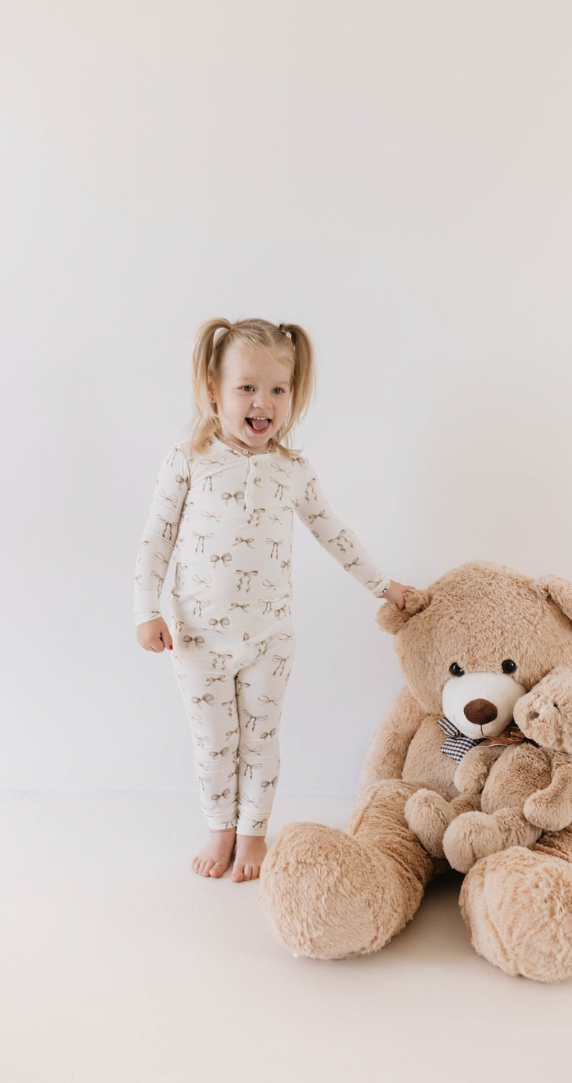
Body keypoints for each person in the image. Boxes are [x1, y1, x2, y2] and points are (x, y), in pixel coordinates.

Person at [134, 318, 414, 882]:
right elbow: (156, 538)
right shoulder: (187, 461)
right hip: (197, 638)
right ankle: (219, 828)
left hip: (269, 639)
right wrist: (146, 610)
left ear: (293, 394)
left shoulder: (293, 472)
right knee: (216, 742)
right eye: (247, 388)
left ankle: (253, 833)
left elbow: (337, 536)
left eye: (277, 390)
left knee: (261, 739)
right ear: (213, 387)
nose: (263, 402)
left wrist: (386, 586)